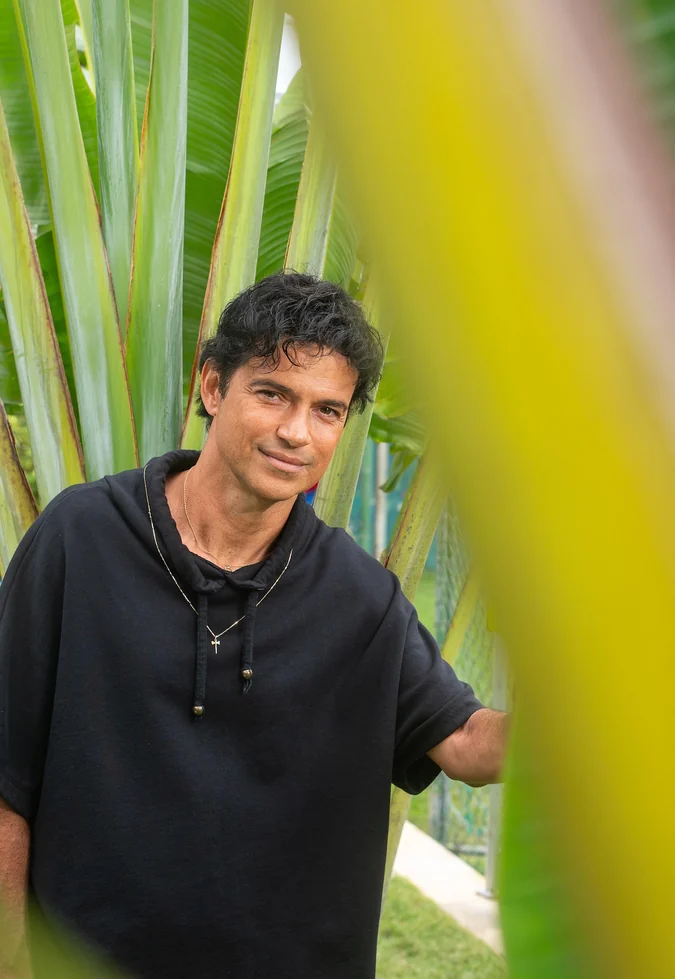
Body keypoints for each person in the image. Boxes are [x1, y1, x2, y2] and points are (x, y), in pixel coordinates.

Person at [0, 272, 509, 979]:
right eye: (273, 394)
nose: (296, 432)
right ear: (213, 387)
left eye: (327, 410)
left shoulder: (359, 596)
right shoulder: (80, 538)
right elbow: (7, 776)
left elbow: (469, 745)